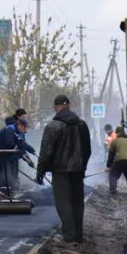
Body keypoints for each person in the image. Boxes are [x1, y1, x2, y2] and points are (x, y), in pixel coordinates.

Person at [36, 95, 92, 244]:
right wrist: (83, 167)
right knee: (77, 201)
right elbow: (87, 149)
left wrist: (40, 171)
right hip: (78, 170)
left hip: (60, 170)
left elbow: (46, 151)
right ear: (69, 105)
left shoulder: (53, 126)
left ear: (56, 107)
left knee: (64, 202)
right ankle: (78, 234)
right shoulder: (82, 125)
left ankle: (69, 235)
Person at [0, 118, 35, 200]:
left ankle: (5, 195)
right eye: (25, 128)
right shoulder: (10, 129)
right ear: (20, 125)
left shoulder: (19, 133)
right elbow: (11, 144)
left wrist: (30, 158)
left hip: (4, 155)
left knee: (4, 175)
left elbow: (23, 146)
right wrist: (22, 153)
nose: (25, 130)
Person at [107, 126, 127, 201]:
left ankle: (113, 192)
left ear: (117, 133)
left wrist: (109, 166)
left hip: (119, 161)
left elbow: (111, 155)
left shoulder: (115, 141)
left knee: (113, 175)